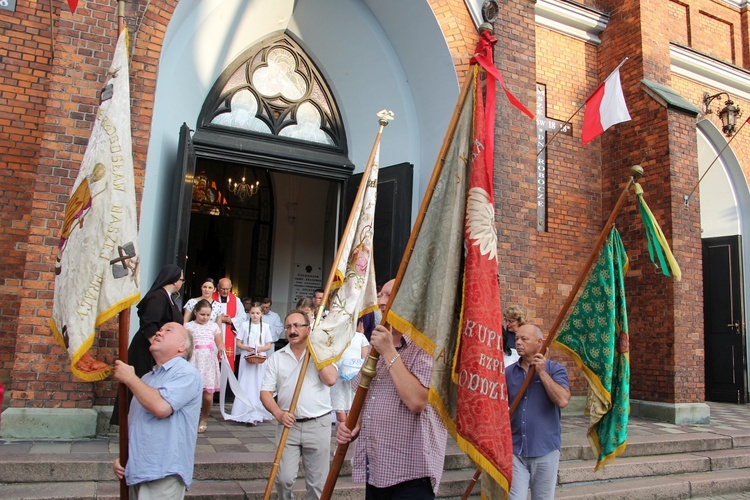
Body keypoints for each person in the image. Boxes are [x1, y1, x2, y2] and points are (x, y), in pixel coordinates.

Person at [336, 279, 448, 498]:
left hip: (411, 473)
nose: (381, 301)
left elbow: (417, 401)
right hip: (377, 467)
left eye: (389, 295)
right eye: (380, 295)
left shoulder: (428, 344)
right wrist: (352, 426)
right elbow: (364, 396)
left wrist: (388, 351)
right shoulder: (378, 343)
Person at [112, 322, 202, 498]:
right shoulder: (147, 378)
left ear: (182, 346)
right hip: (137, 472)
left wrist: (130, 378)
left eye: (168, 330)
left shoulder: (187, 373)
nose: (159, 333)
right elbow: (138, 425)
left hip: (163, 474)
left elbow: (161, 407)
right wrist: (124, 457)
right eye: (160, 330)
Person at [260, 310, 338, 500]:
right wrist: (278, 414)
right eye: (288, 327)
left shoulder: (322, 353)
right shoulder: (277, 358)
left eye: (297, 326)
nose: (292, 331)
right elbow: (265, 393)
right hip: (288, 425)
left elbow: (330, 379)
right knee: (283, 478)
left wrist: (317, 353)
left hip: (317, 423)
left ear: (308, 329)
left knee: (318, 484)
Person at [111, 264, 185, 425]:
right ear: (173, 280)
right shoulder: (158, 297)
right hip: (147, 349)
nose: (182, 282)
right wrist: (157, 348)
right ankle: (131, 421)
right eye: (181, 279)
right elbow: (149, 325)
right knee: (140, 383)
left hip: (156, 350)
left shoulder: (166, 297)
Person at [507, 323, 570, 500]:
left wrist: (542, 373)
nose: (518, 342)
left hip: (545, 449)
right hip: (516, 450)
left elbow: (563, 400)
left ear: (539, 343)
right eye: (517, 338)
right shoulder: (508, 373)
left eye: (524, 339)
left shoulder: (556, 370)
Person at [230, 302, 273, 425]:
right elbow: (238, 342)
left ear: (261, 314)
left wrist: (260, 349)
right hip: (247, 356)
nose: (255, 316)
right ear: (249, 313)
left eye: (257, 313)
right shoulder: (244, 325)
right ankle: (243, 410)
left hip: (260, 357)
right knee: (246, 382)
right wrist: (245, 347)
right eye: (253, 313)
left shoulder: (265, 326)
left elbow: (268, 345)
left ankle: (258, 410)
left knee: (258, 383)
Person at [186, 299, 225, 433]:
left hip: (208, 362)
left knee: (208, 396)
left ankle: (204, 418)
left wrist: (221, 347)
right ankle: (190, 418)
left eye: (208, 315)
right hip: (194, 360)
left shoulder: (213, 326)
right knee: (191, 393)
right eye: (202, 314)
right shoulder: (188, 326)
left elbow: (219, 341)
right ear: (195, 312)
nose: (205, 318)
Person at [330, 327, 369, 423]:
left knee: (354, 409)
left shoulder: (360, 337)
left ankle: (351, 433)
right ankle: (344, 432)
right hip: (339, 377)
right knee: (341, 413)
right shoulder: (333, 336)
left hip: (355, 378)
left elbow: (365, 359)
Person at [214, 278, 247, 373]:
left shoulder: (236, 300)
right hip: (214, 335)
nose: (225, 291)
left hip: (230, 334)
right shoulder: (211, 298)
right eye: (223, 289)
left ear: (231, 287)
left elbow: (243, 318)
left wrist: (231, 320)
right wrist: (219, 319)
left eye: (228, 289)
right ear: (218, 287)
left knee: (227, 364)